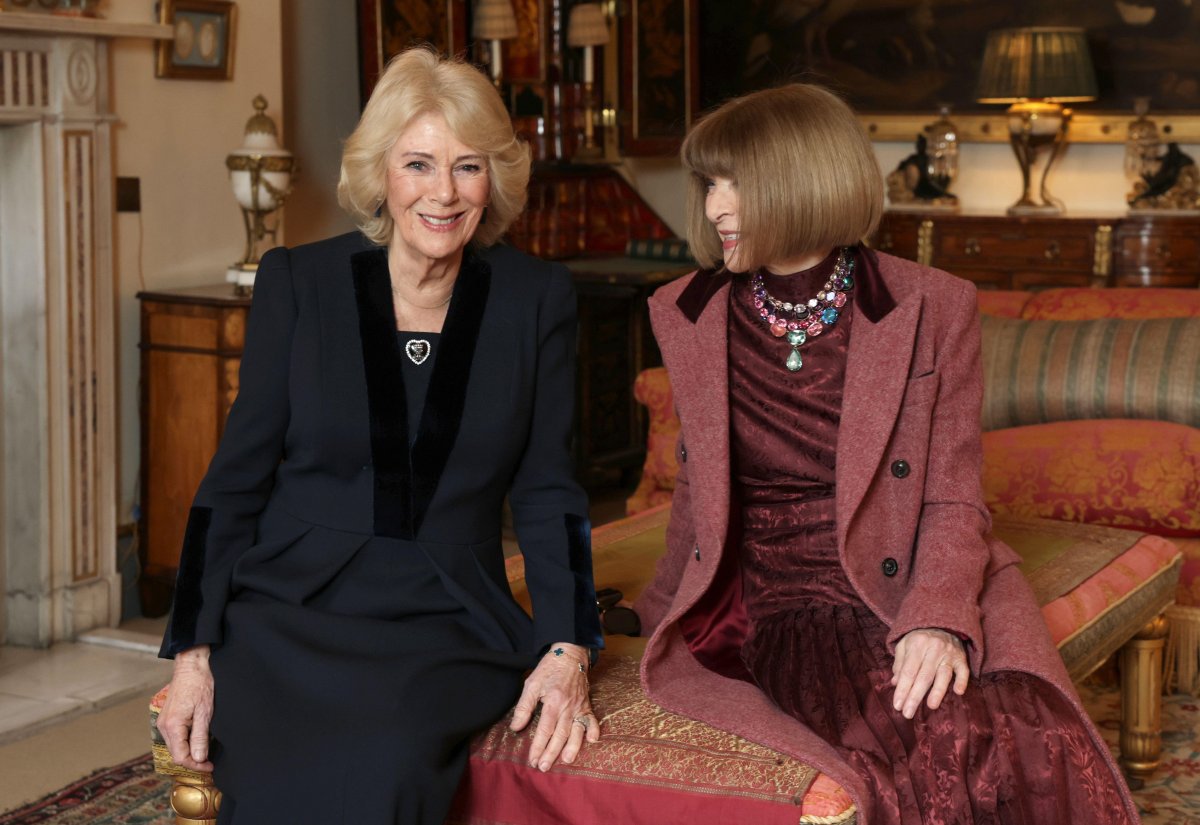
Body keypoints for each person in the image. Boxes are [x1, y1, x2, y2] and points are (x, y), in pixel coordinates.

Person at [634, 84, 1139, 824]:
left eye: (733, 183)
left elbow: (953, 492)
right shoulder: (691, 312)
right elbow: (697, 486)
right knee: (930, 743)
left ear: (800, 178)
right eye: (709, 184)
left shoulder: (934, 303)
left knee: (1033, 733)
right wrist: (653, 609)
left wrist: (936, 618)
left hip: (912, 575)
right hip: (795, 602)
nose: (713, 207)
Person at [155, 47, 603, 824]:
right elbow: (235, 479)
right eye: (419, 164)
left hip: (447, 619)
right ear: (381, 175)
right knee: (271, 771)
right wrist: (192, 654)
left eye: (467, 167)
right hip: (288, 605)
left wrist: (568, 647)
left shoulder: (535, 299)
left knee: (387, 761)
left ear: (494, 178)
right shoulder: (300, 282)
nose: (443, 192)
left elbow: (547, 487)